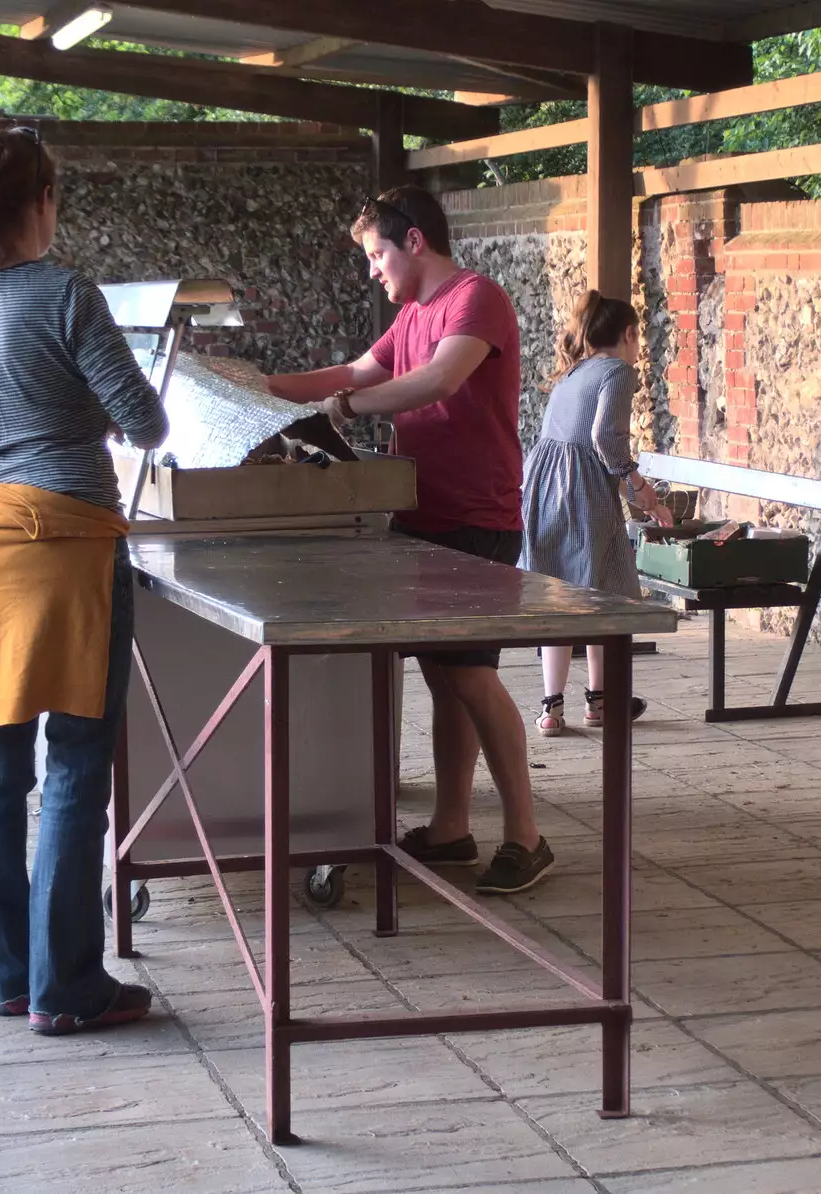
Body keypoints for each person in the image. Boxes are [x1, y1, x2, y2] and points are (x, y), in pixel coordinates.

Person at [0, 126, 169, 1035]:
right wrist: (70, 406)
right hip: (71, 548)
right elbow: (146, 420)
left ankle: (10, 977)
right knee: (78, 766)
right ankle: (69, 990)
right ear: (40, 201)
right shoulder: (65, 295)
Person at [269, 185, 552, 896]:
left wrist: (342, 408)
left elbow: (435, 381)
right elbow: (353, 372)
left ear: (414, 242)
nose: (372, 271)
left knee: (469, 675)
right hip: (422, 513)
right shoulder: (414, 315)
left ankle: (528, 836)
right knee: (443, 673)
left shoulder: (475, 299)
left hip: (479, 515)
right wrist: (259, 386)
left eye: (376, 254)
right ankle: (451, 829)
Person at [521, 290, 673, 737]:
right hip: (582, 491)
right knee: (605, 593)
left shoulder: (575, 371)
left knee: (561, 595)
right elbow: (607, 438)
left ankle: (551, 708)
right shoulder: (618, 372)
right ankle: (601, 700)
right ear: (629, 334)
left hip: (543, 486)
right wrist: (642, 492)